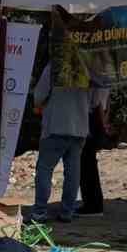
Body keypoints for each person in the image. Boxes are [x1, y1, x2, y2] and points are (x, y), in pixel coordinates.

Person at [30, 64, 91, 224]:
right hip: (80, 127)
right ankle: (67, 212)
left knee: (44, 169)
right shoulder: (88, 66)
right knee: (73, 172)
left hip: (56, 125)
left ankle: (40, 211)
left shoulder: (54, 65)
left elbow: (39, 94)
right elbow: (97, 97)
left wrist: (39, 104)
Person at [79, 86, 111, 217]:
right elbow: (107, 103)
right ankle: (94, 203)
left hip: (92, 122)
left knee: (87, 165)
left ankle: (92, 205)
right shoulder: (107, 80)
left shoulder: (97, 81)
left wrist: (103, 124)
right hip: (98, 122)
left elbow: (97, 104)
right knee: (89, 163)